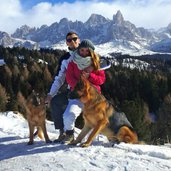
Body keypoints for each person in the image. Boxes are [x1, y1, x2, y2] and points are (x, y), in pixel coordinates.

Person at [62, 39, 106, 144]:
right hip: (78, 95)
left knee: (97, 120)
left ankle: (93, 141)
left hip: (93, 97)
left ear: (91, 51)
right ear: (78, 50)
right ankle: (69, 134)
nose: (84, 53)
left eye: (87, 51)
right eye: (82, 50)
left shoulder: (96, 63)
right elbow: (69, 78)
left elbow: (101, 80)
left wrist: (90, 75)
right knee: (68, 115)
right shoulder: (73, 63)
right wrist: (80, 87)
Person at [45, 31, 80, 142]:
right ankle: (63, 133)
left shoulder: (85, 53)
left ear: (78, 40)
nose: (72, 41)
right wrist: (50, 94)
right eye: (69, 40)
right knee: (55, 101)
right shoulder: (65, 59)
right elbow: (59, 79)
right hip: (72, 91)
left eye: (74, 39)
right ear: (66, 43)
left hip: (88, 92)